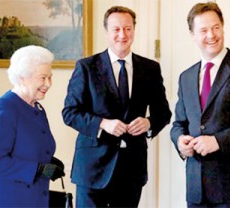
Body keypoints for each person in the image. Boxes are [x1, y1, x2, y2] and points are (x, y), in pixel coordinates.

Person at [62, 6, 171, 208]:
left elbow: (163, 113)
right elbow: (70, 113)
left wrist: (148, 123)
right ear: (107, 32)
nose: (122, 35)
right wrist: (103, 124)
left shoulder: (150, 69)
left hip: (132, 168)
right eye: (116, 29)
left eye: (128, 29)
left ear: (134, 30)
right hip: (92, 169)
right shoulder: (86, 67)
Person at [170, 2, 230, 208]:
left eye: (215, 27)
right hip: (196, 188)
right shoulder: (186, 77)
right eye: (203, 30)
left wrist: (219, 141)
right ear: (192, 34)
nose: (211, 35)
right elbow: (179, 123)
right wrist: (179, 140)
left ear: (223, 27)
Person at [0, 45, 65, 207]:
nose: (48, 84)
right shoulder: (4, 108)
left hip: (31, 198)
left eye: (50, 77)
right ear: (23, 77)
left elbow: (25, 149)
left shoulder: (36, 108)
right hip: (7, 199)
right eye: (43, 78)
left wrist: (49, 162)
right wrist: (38, 169)